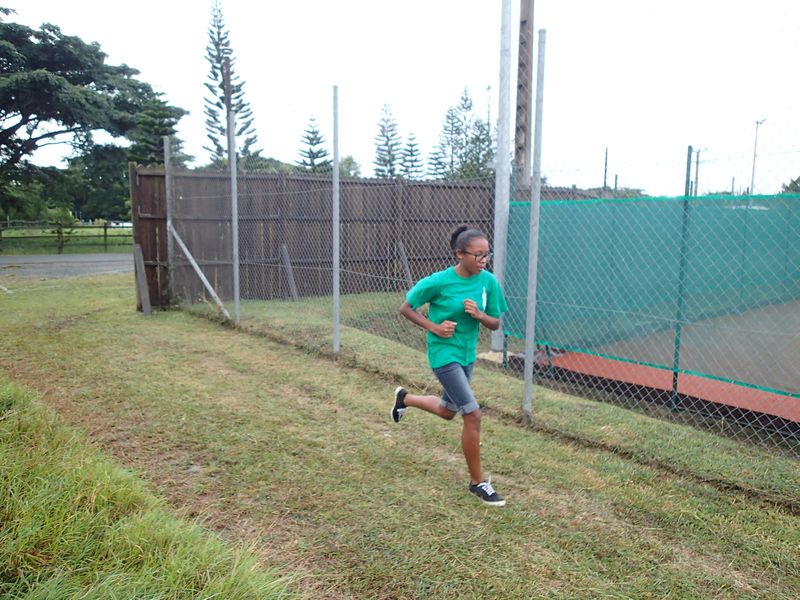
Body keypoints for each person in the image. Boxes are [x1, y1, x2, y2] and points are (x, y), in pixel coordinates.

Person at [391, 224, 509, 507]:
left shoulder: (488, 282)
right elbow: (406, 308)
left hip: (467, 355)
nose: (483, 260)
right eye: (477, 255)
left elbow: (495, 323)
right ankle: (478, 483)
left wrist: (479, 315)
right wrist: (434, 327)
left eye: (487, 254)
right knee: (472, 413)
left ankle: (404, 398)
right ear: (459, 254)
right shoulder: (439, 282)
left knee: (447, 411)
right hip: (444, 354)